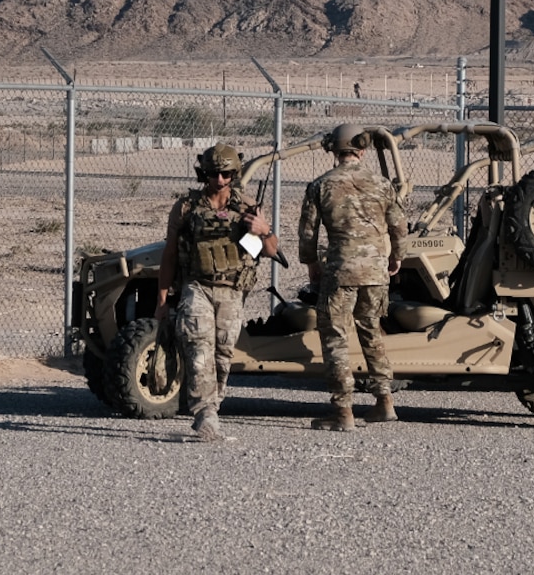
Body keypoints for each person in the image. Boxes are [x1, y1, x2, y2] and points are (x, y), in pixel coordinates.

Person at [158, 143, 277, 443]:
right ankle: (205, 416)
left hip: (232, 292)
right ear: (204, 173)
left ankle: (213, 407)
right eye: (213, 174)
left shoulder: (247, 208)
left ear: (234, 173)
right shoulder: (186, 207)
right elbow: (170, 256)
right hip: (196, 287)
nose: (219, 180)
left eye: (225, 174)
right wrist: (161, 301)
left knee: (222, 357)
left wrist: (262, 229)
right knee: (198, 350)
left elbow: (273, 251)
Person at [297, 123, 406, 431]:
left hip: (340, 271)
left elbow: (308, 233)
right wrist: (396, 257)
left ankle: (343, 411)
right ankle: (384, 402)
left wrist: (311, 264)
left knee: (335, 337)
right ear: (362, 148)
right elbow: (399, 225)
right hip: (375, 272)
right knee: (371, 331)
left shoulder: (321, 185)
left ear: (335, 149)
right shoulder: (382, 184)